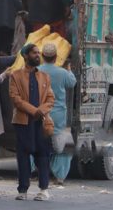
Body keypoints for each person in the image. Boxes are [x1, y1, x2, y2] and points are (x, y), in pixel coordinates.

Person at [10, 43, 55, 201]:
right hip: (23, 122)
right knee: (23, 155)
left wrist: (41, 110)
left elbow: (50, 98)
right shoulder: (15, 76)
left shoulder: (44, 77)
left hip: (40, 122)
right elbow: (16, 99)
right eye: (34, 53)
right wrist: (33, 110)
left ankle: (43, 189)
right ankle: (23, 190)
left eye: (38, 52)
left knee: (43, 155)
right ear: (25, 55)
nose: (38, 55)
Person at [37, 43, 77, 185]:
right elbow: (72, 83)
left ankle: (32, 171)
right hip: (58, 114)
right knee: (61, 146)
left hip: (39, 113)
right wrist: (70, 70)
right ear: (56, 57)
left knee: (36, 142)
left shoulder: (37, 71)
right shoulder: (62, 73)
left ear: (42, 56)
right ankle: (59, 176)